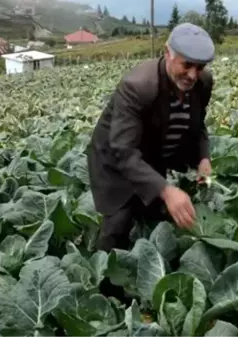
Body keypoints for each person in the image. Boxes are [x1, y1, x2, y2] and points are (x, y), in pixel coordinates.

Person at [86, 22, 215, 253]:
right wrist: (167, 190)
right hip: (115, 157)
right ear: (167, 53)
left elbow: (198, 125)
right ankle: (105, 280)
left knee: (155, 212)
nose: (193, 75)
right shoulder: (138, 86)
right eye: (187, 65)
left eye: (200, 67)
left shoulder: (203, 83)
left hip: (152, 153)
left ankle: (149, 258)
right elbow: (123, 152)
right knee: (118, 221)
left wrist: (203, 158)